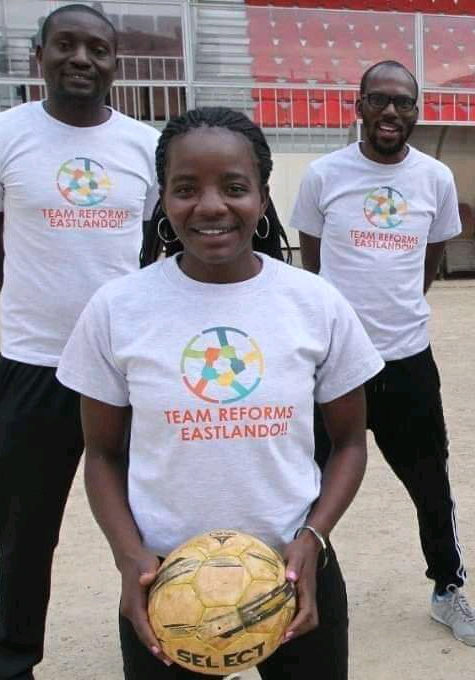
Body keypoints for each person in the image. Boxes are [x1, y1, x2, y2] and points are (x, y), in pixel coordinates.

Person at [56, 106, 384, 680]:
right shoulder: (118, 308)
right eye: (186, 189)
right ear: (163, 197)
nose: (210, 206)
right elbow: (102, 454)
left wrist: (313, 538)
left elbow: (350, 442)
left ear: (261, 196)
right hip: (165, 578)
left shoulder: (315, 303)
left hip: (291, 569)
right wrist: (129, 555)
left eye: (234, 187)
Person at [0, 5, 160, 680]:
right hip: (34, 365)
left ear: (115, 63)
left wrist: (104, 326)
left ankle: (164, 649)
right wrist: (39, 303)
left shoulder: (144, 145)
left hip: (125, 370)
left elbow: (145, 252)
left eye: (98, 49)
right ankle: (14, 660)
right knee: (24, 531)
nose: (81, 58)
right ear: (40, 55)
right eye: (66, 45)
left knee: (152, 524)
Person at [290, 59, 475, 646]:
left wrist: (395, 314)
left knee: (430, 483)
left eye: (404, 102)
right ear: (360, 105)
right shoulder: (324, 175)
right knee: (305, 484)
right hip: (334, 365)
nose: (392, 112)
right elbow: (312, 266)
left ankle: (448, 590)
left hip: (407, 359)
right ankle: (297, 583)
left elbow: (430, 257)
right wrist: (342, 327)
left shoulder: (436, 179)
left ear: (417, 112)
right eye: (380, 100)